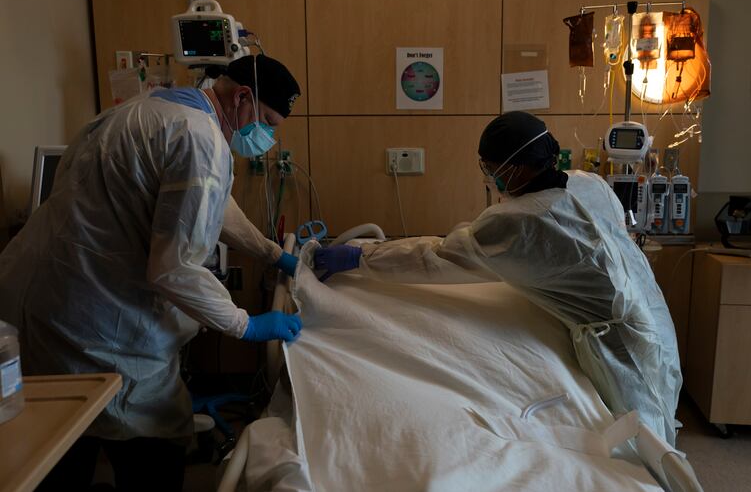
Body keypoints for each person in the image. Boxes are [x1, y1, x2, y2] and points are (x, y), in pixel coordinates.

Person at [0, 54, 302, 490]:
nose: (268, 136)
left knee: (58, 441)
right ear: (242, 97)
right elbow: (174, 268)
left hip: (38, 298)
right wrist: (247, 324)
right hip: (94, 322)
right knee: (152, 442)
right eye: (269, 121)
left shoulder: (148, 108)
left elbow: (213, 205)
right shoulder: (200, 140)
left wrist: (272, 254)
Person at [314, 111, 682, 446]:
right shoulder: (588, 184)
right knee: (657, 410)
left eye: (491, 167)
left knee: (641, 436)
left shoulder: (520, 222)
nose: (490, 176)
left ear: (519, 167)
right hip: (651, 311)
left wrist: (360, 256)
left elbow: (437, 259)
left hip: (619, 342)